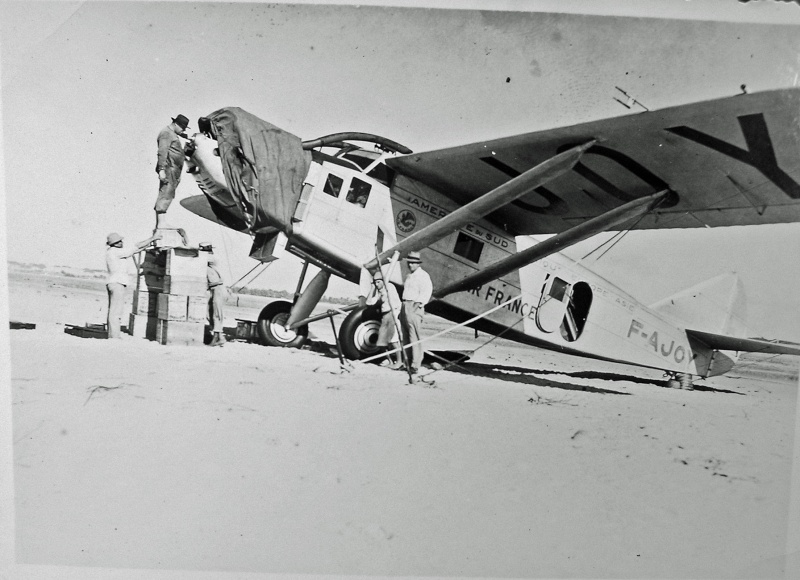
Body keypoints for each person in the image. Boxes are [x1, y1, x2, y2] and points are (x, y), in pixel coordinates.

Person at [105, 231, 161, 339]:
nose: (122, 243)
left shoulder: (112, 252)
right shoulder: (116, 251)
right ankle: (114, 336)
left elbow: (135, 250)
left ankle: (112, 334)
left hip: (113, 282)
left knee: (113, 310)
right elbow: (135, 247)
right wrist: (153, 238)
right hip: (118, 283)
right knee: (116, 311)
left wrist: (146, 245)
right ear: (115, 243)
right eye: (120, 241)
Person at [399, 251, 433, 376]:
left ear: (418, 264)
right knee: (405, 335)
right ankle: (406, 362)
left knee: (414, 336)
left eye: (413, 263)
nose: (410, 265)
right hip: (405, 305)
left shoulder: (423, 275)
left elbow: (427, 291)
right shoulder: (409, 276)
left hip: (414, 305)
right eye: (409, 263)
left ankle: (415, 365)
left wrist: (418, 304)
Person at [155, 114, 190, 230]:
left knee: (169, 193)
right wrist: (161, 170)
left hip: (173, 170)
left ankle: (162, 222)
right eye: (183, 128)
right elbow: (162, 152)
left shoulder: (172, 134)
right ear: (176, 124)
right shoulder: (166, 133)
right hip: (169, 168)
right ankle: (161, 223)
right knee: (165, 193)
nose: (183, 130)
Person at [366, 275, 402, 367]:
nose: (377, 284)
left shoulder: (390, 287)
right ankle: (390, 361)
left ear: (383, 281)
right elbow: (369, 302)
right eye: (375, 282)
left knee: (393, 341)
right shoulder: (379, 291)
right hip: (385, 316)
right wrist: (372, 288)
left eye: (378, 282)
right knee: (381, 342)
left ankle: (399, 362)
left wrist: (394, 316)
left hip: (392, 313)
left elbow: (388, 300)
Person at [206, 252, 227, 346]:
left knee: (216, 313)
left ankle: (216, 338)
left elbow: (201, 258)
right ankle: (220, 337)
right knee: (209, 312)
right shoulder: (209, 263)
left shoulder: (211, 258)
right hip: (213, 289)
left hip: (217, 288)